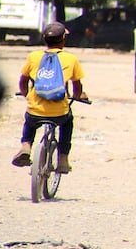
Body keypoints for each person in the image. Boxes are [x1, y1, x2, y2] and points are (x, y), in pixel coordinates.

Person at [12, 22, 87, 173]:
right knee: (68, 122)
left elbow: (23, 81)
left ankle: (26, 145)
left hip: (36, 111)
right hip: (59, 113)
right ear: (63, 40)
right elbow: (77, 86)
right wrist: (78, 96)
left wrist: (27, 96)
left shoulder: (33, 57)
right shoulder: (71, 59)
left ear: (45, 40)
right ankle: (63, 158)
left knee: (30, 120)